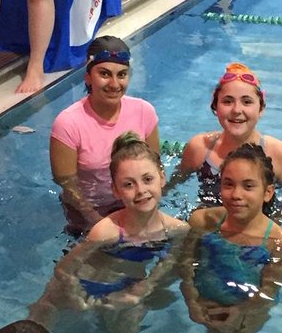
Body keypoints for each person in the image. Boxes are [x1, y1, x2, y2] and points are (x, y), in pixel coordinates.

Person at [182, 144, 282, 333]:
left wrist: (240, 311)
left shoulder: (281, 243)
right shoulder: (203, 221)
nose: (236, 194)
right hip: (205, 299)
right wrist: (192, 301)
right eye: (228, 184)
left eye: (248, 186)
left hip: (247, 307)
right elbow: (185, 264)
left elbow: (268, 293)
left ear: (267, 193)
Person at [34, 132, 188, 312]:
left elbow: (169, 262)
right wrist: (77, 295)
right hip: (89, 280)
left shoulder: (179, 230)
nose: (141, 190)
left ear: (162, 178)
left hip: (128, 284)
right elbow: (64, 269)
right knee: (44, 310)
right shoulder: (106, 232)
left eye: (147, 179)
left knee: (129, 329)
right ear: (115, 190)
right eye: (128, 184)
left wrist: (146, 287)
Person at [50, 36, 160, 235]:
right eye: (105, 74)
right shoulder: (68, 123)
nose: (114, 84)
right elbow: (67, 185)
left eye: (122, 74)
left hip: (134, 200)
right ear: (87, 77)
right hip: (86, 209)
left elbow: (155, 167)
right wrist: (97, 222)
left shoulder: (144, 111)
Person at [176, 62, 282, 212]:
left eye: (247, 102)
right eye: (227, 101)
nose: (237, 110)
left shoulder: (279, 154)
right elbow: (173, 189)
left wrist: (271, 229)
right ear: (215, 106)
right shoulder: (199, 148)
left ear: (261, 108)